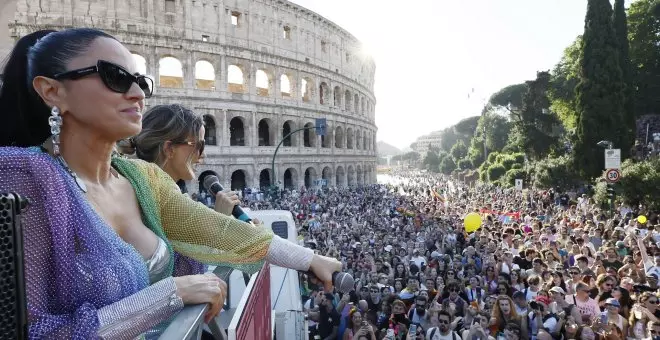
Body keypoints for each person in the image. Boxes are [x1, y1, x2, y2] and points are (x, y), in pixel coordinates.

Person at [0, 28, 341, 339]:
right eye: (115, 77)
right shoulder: (23, 180)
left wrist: (307, 258)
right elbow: (33, 333)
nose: (136, 94)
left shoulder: (140, 176)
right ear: (52, 90)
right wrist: (169, 295)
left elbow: (213, 227)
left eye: (141, 82)